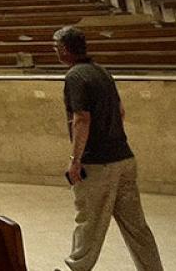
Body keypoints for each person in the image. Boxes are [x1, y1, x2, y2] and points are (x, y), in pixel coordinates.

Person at [53, 26, 164, 271]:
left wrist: (75, 159)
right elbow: (121, 112)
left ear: (64, 49)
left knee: (89, 222)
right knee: (136, 227)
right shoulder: (102, 72)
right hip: (124, 158)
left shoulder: (75, 76)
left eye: (56, 47)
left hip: (97, 165)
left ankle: (75, 269)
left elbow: (82, 118)